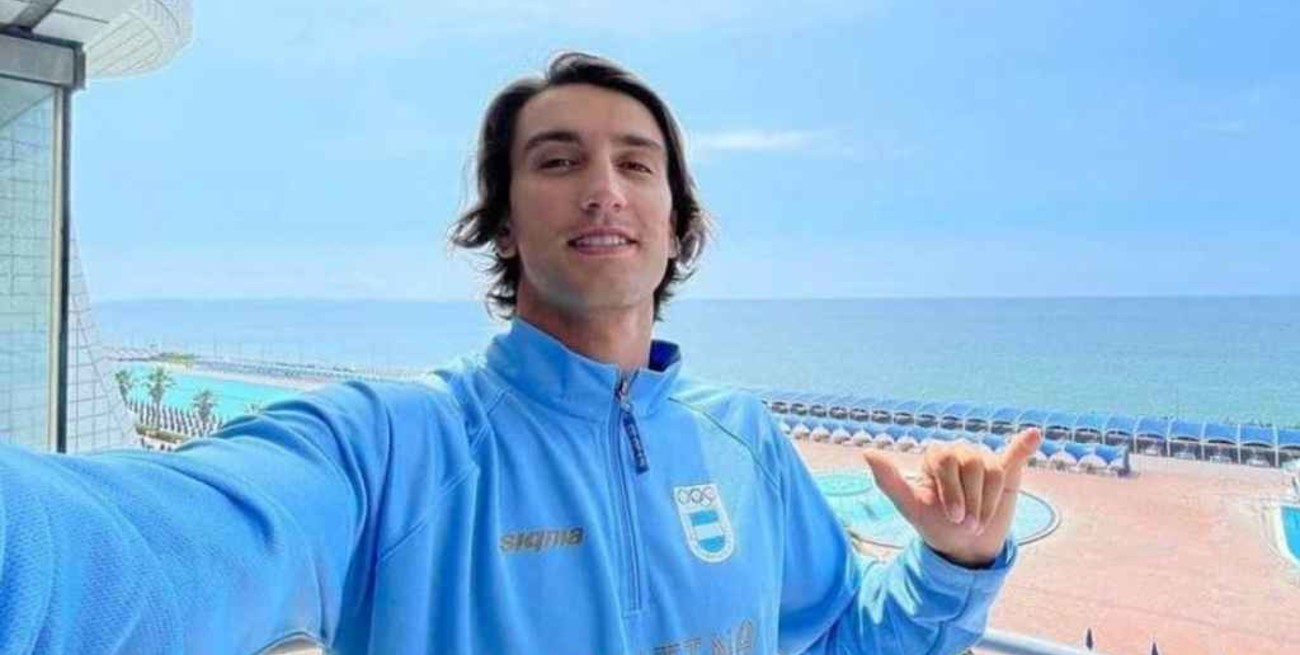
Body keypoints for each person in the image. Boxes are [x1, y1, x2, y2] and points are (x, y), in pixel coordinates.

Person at [0, 51, 1041, 655]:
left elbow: (841, 637)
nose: (604, 189)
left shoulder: (744, 438)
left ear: (676, 223)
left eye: (637, 164)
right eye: (558, 161)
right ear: (502, 222)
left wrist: (952, 565)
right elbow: (156, 545)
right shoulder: (396, 446)